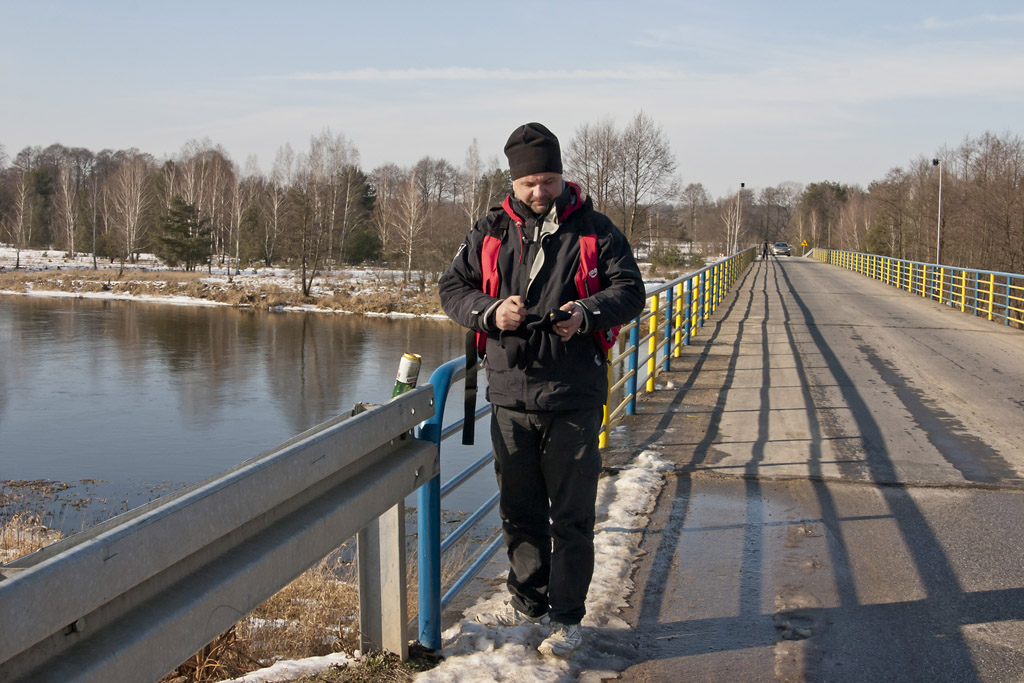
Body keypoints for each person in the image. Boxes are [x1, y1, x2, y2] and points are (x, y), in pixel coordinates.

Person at [438, 122, 645, 658]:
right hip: (508, 393)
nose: (539, 192)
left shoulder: (596, 230)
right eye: (529, 183)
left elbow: (630, 291)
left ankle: (568, 617)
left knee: (571, 515)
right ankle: (528, 601)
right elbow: (452, 288)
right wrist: (490, 312)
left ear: (561, 176)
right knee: (519, 510)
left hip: (573, 394)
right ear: (513, 182)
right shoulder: (488, 232)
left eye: (548, 180)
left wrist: (585, 312)